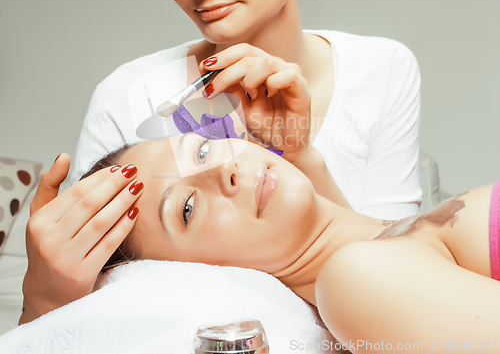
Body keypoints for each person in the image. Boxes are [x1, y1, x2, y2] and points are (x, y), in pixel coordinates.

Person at [70, 0, 422, 219]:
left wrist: (303, 159)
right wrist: (47, 280)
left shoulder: (382, 69)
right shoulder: (127, 97)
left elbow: (404, 268)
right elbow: (96, 271)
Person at [21, 133, 500, 350]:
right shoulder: (355, 279)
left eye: (201, 149)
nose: (225, 171)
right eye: (186, 207)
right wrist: (43, 308)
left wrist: (303, 154)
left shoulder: (385, 244)